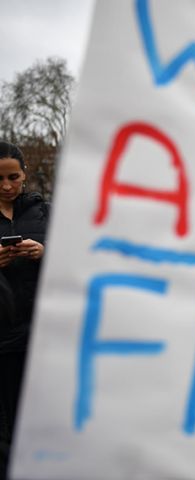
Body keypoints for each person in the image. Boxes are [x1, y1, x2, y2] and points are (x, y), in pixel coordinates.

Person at [0, 141, 49, 469]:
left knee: (41, 415)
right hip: (2, 336)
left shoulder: (43, 210)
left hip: (41, 334)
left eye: (13, 177)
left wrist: (44, 252)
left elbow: (73, 258)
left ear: (24, 174)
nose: (6, 186)